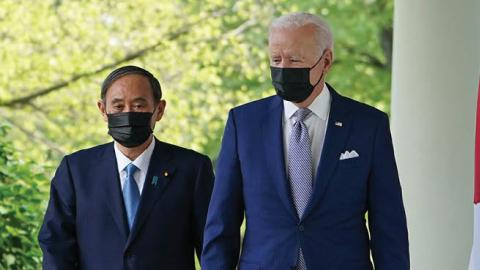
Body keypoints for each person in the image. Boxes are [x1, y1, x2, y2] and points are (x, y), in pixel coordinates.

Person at [202, 12, 409, 270]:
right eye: (276, 59)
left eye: (295, 60)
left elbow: (388, 225)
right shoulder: (243, 123)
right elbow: (222, 222)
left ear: (326, 61)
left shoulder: (368, 125)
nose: (283, 68)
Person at [39, 65, 214, 270]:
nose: (128, 113)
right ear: (103, 110)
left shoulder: (192, 169)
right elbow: (56, 245)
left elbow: (211, 247)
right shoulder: (75, 171)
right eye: (119, 106)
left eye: (139, 106)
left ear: (159, 109)